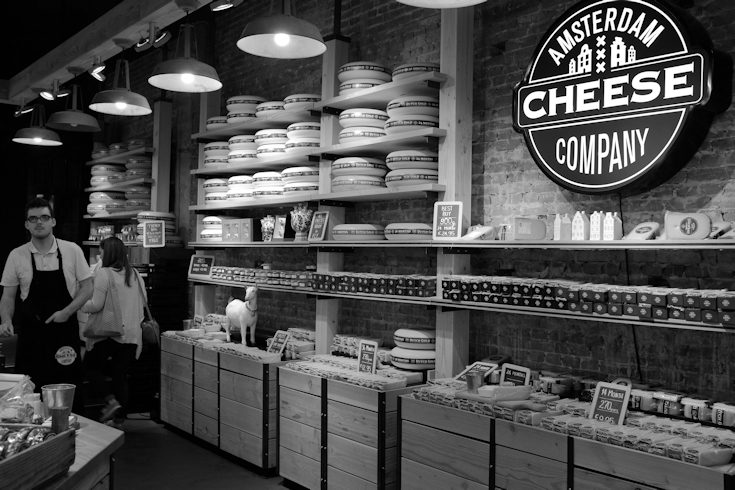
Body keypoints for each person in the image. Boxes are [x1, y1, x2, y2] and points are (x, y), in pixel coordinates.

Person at [0, 197, 93, 414]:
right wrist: (5, 320)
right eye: (33, 219)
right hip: (32, 335)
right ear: (26, 224)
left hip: (64, 334)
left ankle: (70, 429)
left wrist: (67, 312)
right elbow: (8, 296)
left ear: (53, 221)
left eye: (44, 217)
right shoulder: (17, 255)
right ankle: (32, 431)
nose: (39, 222)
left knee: (68, 388)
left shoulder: (72, 250)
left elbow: (88, 287)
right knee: (30, 392)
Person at [80, 237, 146, 430]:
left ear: (107, 253)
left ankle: (110, 401)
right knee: (120, 377)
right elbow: (143, 301)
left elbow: (96, 304)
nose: (99, 256)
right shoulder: (135, 274)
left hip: (111, 333)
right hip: (132, 335)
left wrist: (80, 304)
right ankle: (118, 421)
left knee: (89, 367)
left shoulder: (104, 273)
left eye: (101, 252)